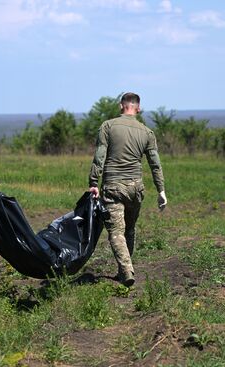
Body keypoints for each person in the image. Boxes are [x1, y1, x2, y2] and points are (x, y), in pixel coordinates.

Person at [88, 92, 167, 287]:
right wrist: (161, 190)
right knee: (129, 230)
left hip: (113, 186)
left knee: (116, 231)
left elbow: (100, 156)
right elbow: (155, 165)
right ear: (138, 108)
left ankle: (126, 270)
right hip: (135, 189)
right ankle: (125, 270)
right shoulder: (147, 132)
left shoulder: (108, 126)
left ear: (120, 106)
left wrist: (93, 182)